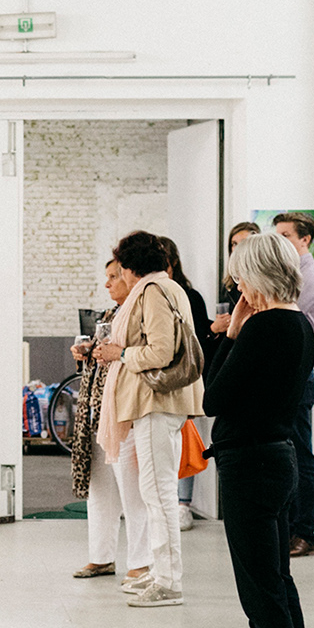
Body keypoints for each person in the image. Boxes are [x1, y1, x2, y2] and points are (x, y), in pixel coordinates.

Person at [201, 231, 314, 628]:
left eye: (240, 274)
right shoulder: (295, 324)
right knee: (278, 590)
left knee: (263, 598)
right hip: (274, 458)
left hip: (253, 466)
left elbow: (215, 396)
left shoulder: (267, 326)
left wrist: (233, 333)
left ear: (259, 275)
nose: (235, 284)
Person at [93, 230, 205, 607]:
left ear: (128, 268)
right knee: (155, 493)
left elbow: (160, 350)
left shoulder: (154, 291)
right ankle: (160, 573)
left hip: (157, 402)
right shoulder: (165, 288)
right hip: (152, 403)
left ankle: (169, 582)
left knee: (159, 495)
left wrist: (120, 354)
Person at [70, 259, 153, 581]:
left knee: (133, 493)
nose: (107, 284)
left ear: (131, 277)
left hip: (124, 411)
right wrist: (86, 353)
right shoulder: (108, 316)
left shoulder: (139, 315)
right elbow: (103, 358)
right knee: (100, 490)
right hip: (97, 412)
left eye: (113, 277)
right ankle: (101, 557)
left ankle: (140, 562)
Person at [270, 213, 314, 556]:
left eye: (286, 235)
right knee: (289, 455)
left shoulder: (310, 279)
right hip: (286, 376)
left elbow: (283, 321)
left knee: (301, 456)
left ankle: (305, 531)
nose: (280, 241)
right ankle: (292, 526)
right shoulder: (292, 275)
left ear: (306, 240)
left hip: (298, 375)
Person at [156, 235, 213, 529]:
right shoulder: (147, 294)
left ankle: (183, 504)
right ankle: (165, 501)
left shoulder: (189, 296)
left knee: (185, 439)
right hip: (157, 379)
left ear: (172, 262)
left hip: (184, 377)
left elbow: (200, 337)